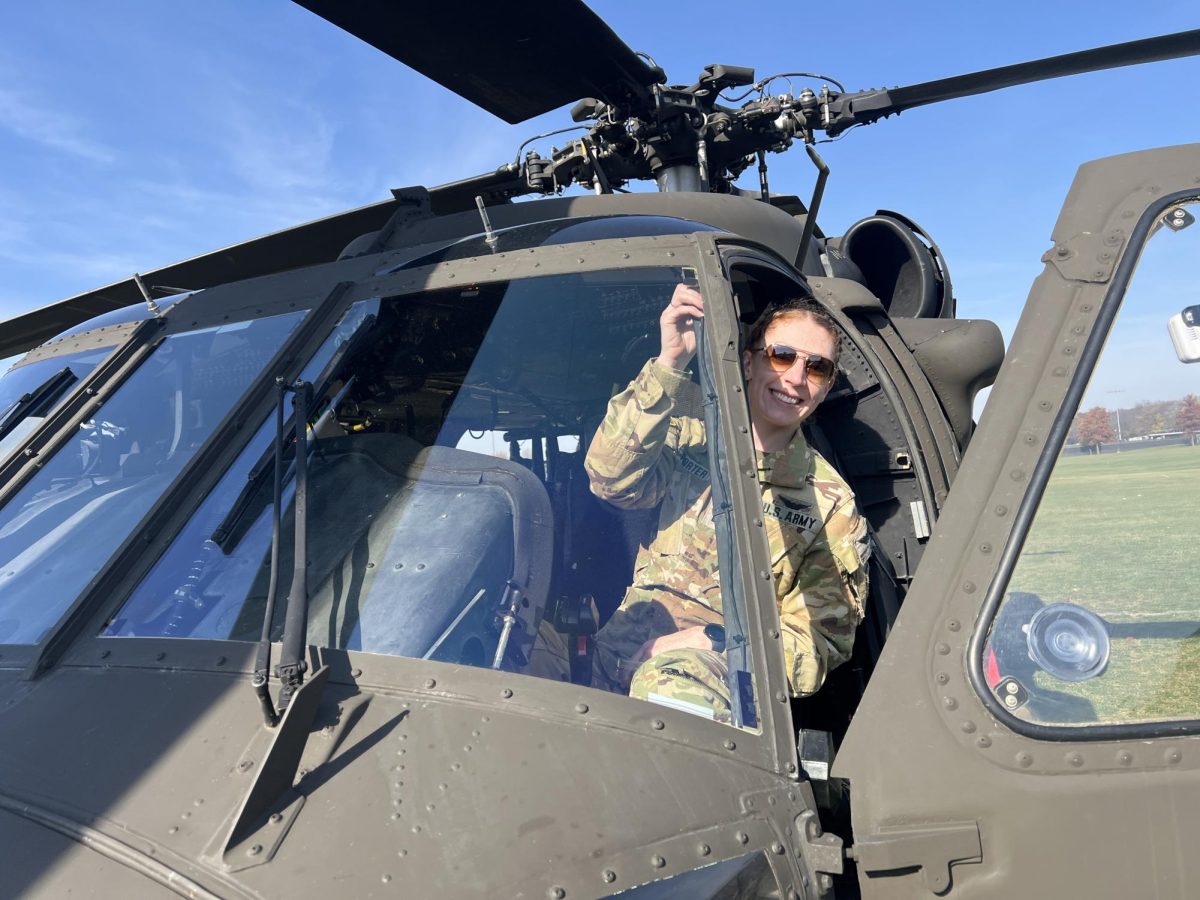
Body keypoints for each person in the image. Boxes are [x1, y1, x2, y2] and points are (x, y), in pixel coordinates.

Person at [532, 283, 870, 723]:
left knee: (668, 686)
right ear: (748, 362)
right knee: (520, 646)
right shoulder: (688, 435)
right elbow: (610, 479)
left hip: (710, 684)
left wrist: (716, 640)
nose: (795, 377)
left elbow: (818, 642)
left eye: (817, 367)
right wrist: (671, 363)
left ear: (824, 388)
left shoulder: (829, 504)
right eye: (781, 355)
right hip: (611, 659)